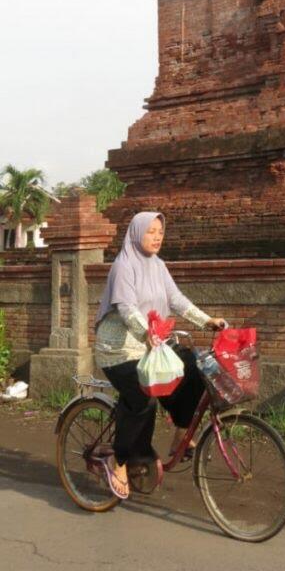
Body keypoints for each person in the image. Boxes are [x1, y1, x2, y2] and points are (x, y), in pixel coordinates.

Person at [94, 211, 225, 499]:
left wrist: (207, 320)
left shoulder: (158, 266)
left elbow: (176, 300)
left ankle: (181, 431)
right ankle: (120, 461)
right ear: (137, 231)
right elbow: (127, 309)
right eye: (150, 231)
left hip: (153, 346)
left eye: (160, 232)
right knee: (143, 398)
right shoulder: (123, 266)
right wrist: (148, 334)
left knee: (193, 368)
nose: (156, 237)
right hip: (119, 350)